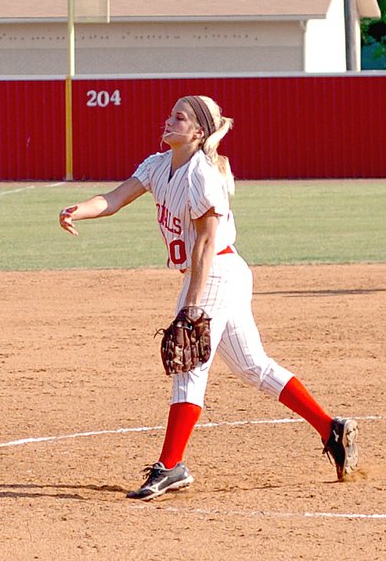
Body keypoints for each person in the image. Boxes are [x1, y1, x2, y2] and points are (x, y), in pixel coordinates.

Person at [58, 95, 359, 501]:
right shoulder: (159, 165)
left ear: (198, 132)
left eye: (179, 117)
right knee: (253, 366)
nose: (168, 120)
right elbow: (114, 199)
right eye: (169, 114)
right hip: (222, 272)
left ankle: (170, 466)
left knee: (190, 367)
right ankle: (331, 428)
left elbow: (204, 241)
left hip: (215, 270)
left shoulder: (201, 175)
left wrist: (192, 305)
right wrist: (78, 209)